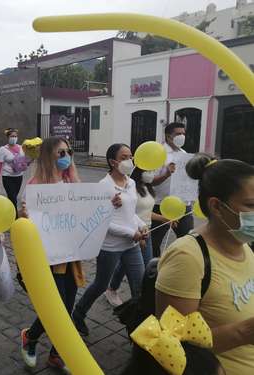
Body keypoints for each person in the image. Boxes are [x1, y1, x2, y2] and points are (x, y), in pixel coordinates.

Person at [155, 153, 254, 375]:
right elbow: (173, 344)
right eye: (251, 205)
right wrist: (244, 332)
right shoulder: (188, 257)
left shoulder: (244, 245)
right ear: (217, 207)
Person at [19, 136, 84, 372]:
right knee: (56, 308)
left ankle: (56, 353)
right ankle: (31, 337)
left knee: (67, 307)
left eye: (69, 152)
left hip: (70, 253)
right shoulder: (36, 186)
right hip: (48, 257)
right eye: (61, 153)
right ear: (48, 156)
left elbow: (85, 210)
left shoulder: (71, 182)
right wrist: (24, 216)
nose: (66, 157)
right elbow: (26, 223)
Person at [72, 143, 147, 336]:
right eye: (124, 157)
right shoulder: (103, 186)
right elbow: (104, 222)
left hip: (132, 245)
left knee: (140, 288)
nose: (130, 160)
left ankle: (140, 330)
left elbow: (130, 213)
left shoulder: (130, 183)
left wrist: (141, 225)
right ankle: (78, 314)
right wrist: (132, 233)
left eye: (131, 156)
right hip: (110, 246)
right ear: (113, 162)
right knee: (101, 284)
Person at [104, 167, 172, 306]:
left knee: (126, 264)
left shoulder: (148, 188)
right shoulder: (131, 187)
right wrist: (138, 235)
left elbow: (147, 212)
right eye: (149, 170)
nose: (152, 172)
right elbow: (130, 214)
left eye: (153, 170)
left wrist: (165, 219)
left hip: (146, 230)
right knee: (144, 267)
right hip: (135, 232)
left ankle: (112, 289)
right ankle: (139, 301)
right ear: (140, 170)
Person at [151, 122, 194, 256]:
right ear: (168, 136)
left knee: (188, 240)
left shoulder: (184, 153)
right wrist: (166, 174)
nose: (181, 136)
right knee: (154, 243)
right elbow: (150, 182)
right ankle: (154, 270)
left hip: (183, 205)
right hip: (161, 205)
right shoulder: (158, 153)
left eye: (183, 134)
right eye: (178, 134)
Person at [0, 128, 27, 211]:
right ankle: (14, 218)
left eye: (15, 136)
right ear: (8, 137)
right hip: (8, 177)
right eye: (12, 136)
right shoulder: (3, 149)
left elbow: (25, 160)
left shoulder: (21, 148)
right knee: (13, 198)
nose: (14, 138)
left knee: (13, 198)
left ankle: (8, 213)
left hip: (19, 176)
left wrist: (27, 163)